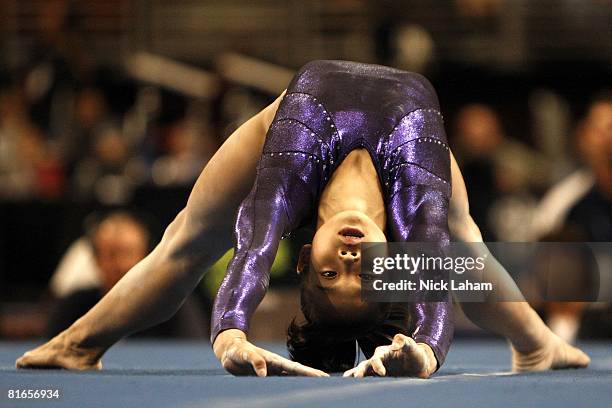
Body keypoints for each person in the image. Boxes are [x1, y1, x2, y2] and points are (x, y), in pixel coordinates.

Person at [16, 60, 589, 378]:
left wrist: (230, 334)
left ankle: (78, 342)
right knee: (462, 247)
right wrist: (426, 351)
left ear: (307, 256)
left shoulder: (286, 189)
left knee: (190, 238)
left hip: (280, 129)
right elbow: (433, 312)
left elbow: (249, 254)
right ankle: (539, 343)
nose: (348, 261)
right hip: (416, 155)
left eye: (330, 277)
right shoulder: (416, 203)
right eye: (366, 277)